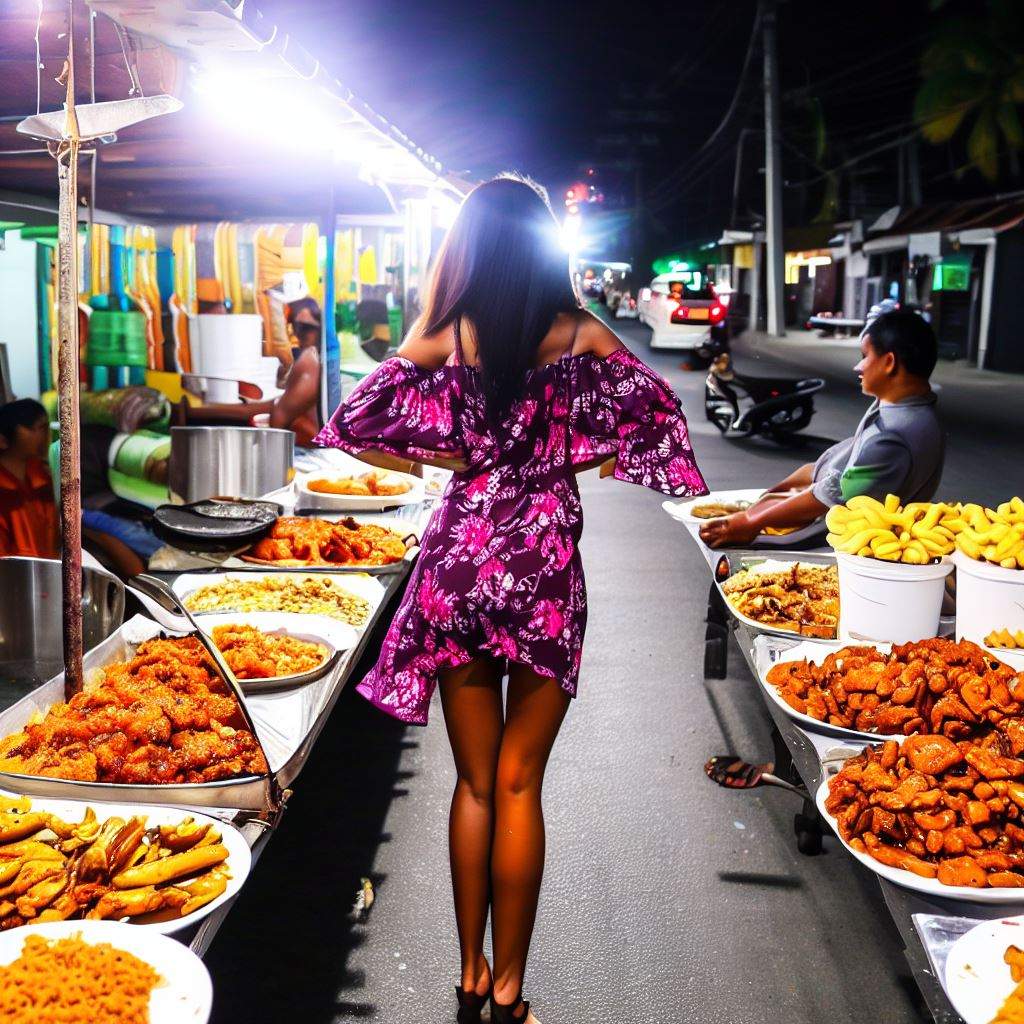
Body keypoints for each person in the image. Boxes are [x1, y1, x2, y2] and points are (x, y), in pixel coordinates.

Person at [314, 175, 707, 1024]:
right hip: (543, 572)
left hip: (459, 562)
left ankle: (466, 969)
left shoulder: (449, 331)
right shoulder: (580, 333)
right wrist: (580, 455)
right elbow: (660, 415)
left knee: (476, 787)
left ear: (471, 248)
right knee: (522, 786)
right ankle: (509, 990)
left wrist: (442, 463)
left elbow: (352, 420)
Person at [700, 309, 944, 548]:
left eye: (864, 356)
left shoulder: (893, 436)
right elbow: (830, 466)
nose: (857, 368)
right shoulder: (902, 410)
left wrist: (750, 521)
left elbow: (829, 498)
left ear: (889, 362)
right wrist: (769, 496)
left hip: (838, 545)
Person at [0, 398, 59, 558]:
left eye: (45, 426)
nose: (44, 434)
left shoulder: (40, 475)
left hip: (48, 571)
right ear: (3, 440)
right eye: (37, 427)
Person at [269, 296, 322, 446]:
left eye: (308, 328)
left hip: (311, 448)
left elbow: (279, 417)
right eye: (296, 325)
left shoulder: (310, 358)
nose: (300, 333)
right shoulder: (315, 356)